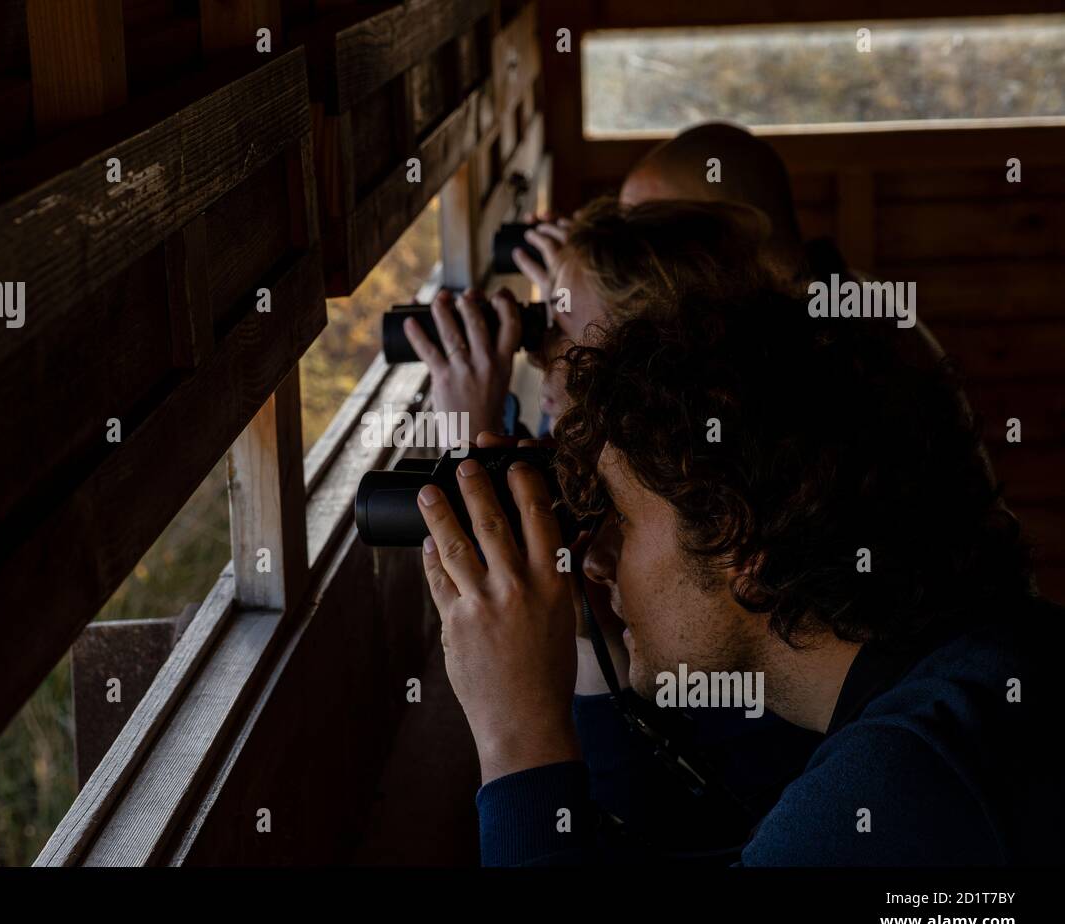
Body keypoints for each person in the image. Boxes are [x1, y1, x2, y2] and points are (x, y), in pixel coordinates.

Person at [416, 278, 1060, 865]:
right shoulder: (986, 667)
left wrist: (516, 735)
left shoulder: (907, 780)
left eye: (621, 519)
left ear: (748, 552)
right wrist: (594, 639)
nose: (594, 556)